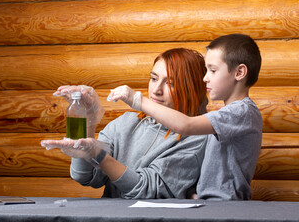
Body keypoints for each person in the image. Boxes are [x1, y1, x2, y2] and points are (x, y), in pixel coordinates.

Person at [109, 33, 262, 200]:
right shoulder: (226, 116)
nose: (205, 78)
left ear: (239, 72)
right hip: (212, 205)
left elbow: (185, 125)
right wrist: (192, 194)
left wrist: (136, 100)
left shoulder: (242, 112)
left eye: (212, 70)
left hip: (225, 208)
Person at [41, 48, 208, 199]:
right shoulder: (126, 123)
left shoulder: (197, 138)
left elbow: (146, 190)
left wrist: (99, 155)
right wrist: (88, 118)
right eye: (154, 78)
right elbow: (84, 176)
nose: (156, 90)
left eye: (170, 83)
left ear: (191, 88)